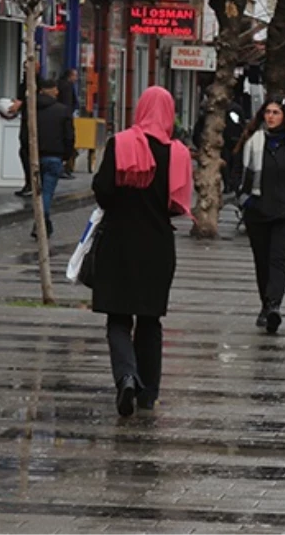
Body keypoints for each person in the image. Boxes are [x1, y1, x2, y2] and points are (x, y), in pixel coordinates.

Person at [92, 87, 193, 416]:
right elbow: (177, 206)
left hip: (119, 243)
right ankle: (148, 392)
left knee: (118, 318)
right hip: (157, 247)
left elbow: (103, 192)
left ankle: (125, 377)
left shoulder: (119, 144)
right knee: (150, 320)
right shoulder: (178, 154)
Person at [236, 97, 285, 334]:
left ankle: (274, 306)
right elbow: (237, 173)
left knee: (278, 259)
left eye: (276, 112)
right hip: (258, 212)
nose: (271, 117)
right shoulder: (252, 142)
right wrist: (245, 200)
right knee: (262, 261)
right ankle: (265, 304)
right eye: (267, 112)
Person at [33, 78, 75, 237]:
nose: (58, 92)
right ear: (48, 90)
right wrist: (67, 155)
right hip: (54, 156)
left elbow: (25, 134)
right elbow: (69, 136)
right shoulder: (63, 110)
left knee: (38, 191)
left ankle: (42, 222)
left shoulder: (32, 109)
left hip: (36, 157)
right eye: (55, 89)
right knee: (47, 192)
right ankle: (41, 223)